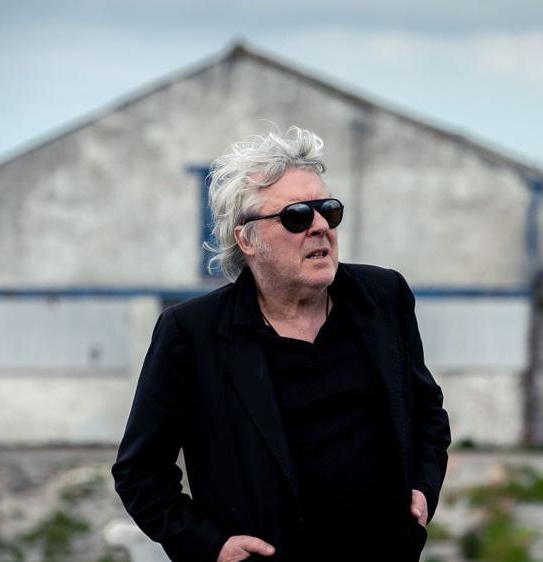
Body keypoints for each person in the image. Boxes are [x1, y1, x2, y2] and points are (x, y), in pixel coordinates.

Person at [112, 126, 451, 562]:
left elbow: (427, 411)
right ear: (246, 239)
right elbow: (140, 471)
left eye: (328, 210)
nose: (319, 226)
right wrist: (211, 546)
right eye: (296, 216)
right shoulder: (191, 333)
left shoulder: (383, 296)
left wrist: (423, 489)